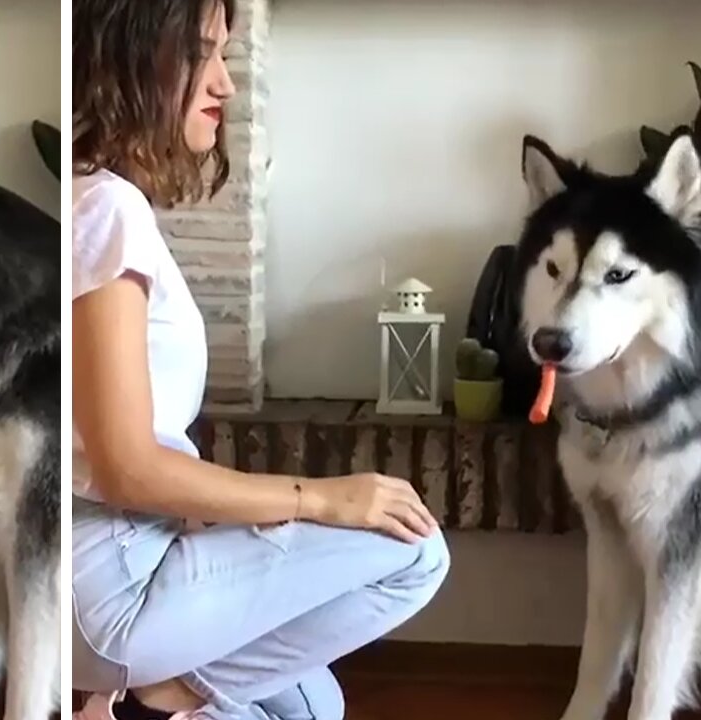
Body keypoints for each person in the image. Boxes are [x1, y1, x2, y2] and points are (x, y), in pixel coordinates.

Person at [70, 1, 451, 719]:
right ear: (128, 56)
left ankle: (156, 698)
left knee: (312, 709)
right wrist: (322, 496)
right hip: (118, 589)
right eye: (201, 54)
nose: (225, 85)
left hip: (135, 554)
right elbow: (124, 467)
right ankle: (150, 701)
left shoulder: (98, 205)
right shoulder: (104, 210)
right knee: (416, 553)